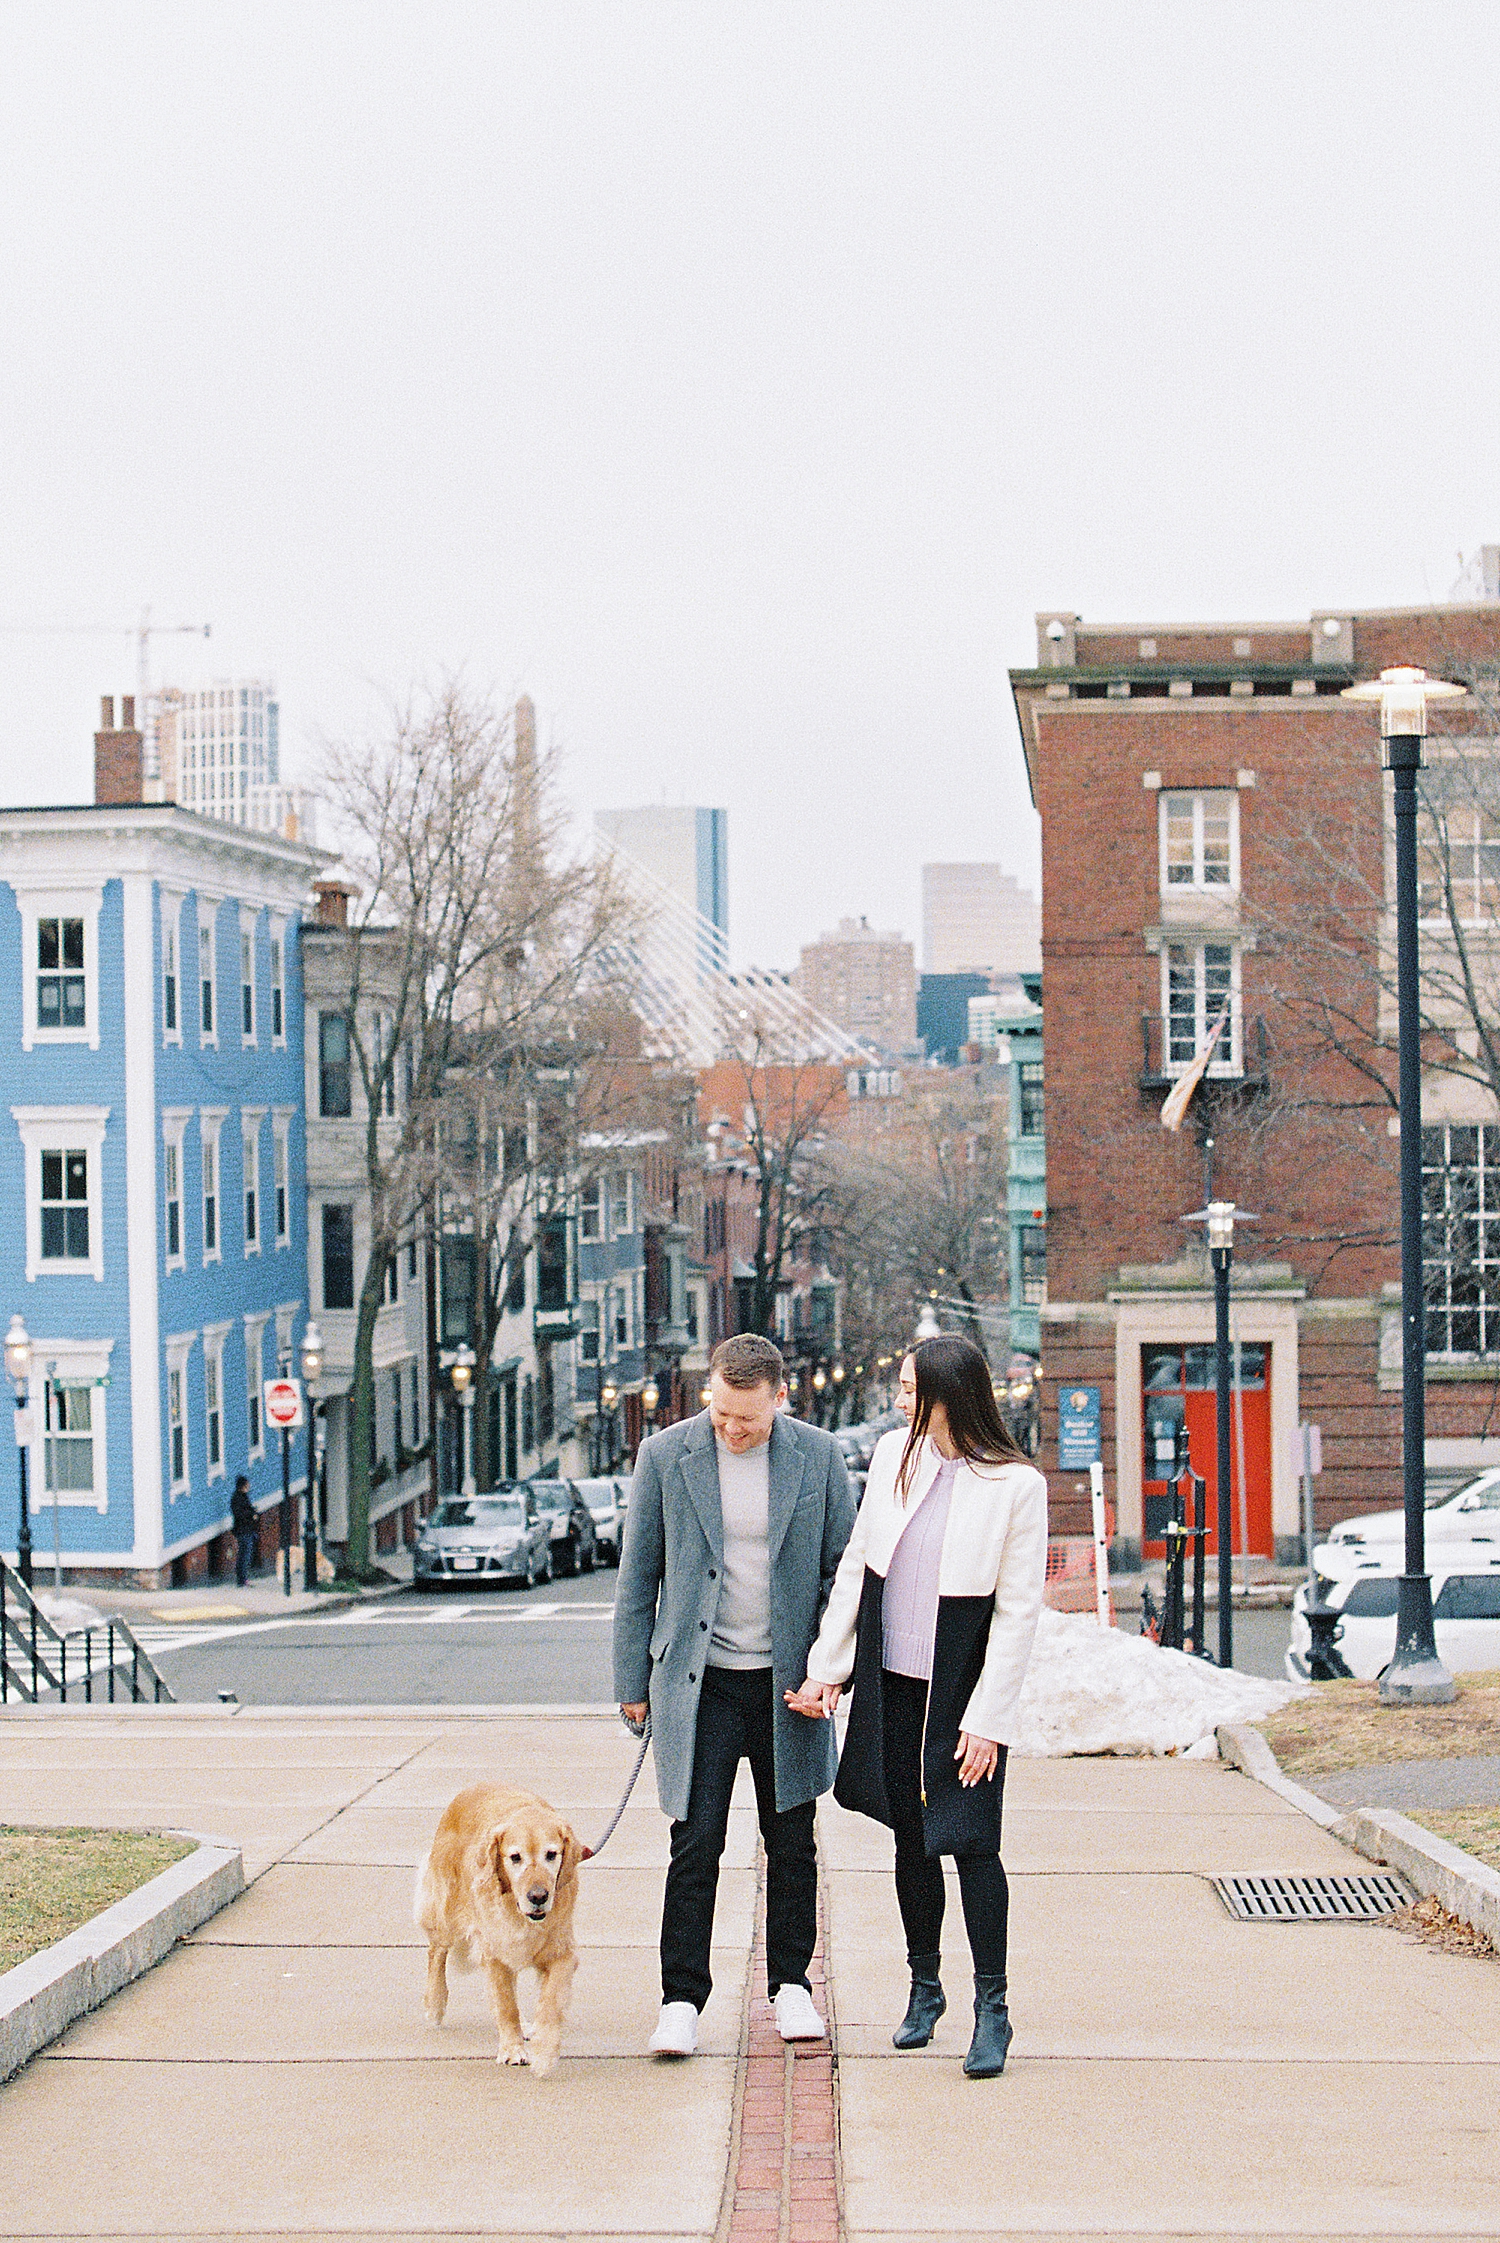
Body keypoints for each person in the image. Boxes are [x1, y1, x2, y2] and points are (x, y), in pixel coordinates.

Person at [787, 1334, 1047, 2078]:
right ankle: (923, 1986)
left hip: (960, 1694)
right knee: (910, 1835)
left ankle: (992, 2008)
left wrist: (988, 1720)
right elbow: (858, 1570)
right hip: (893, 1680)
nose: (899, 1401)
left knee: (970, 1842)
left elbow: (1018, 1613)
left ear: (946, 1394)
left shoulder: (1016, 1485)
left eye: (909, 1389)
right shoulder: (895, 1459)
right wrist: (827, 1671)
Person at [614, 1332, 857, 2058]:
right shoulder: (665, 1456)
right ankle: (681, 1999)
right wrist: (631, 1681)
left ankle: (791, 1987)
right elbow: (638, 1577)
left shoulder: (819, 1457)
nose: (731, 1427)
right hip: (701, 1682)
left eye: (746, 1417)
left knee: (792, 1841)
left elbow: (842, 1574)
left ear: (779, 1398)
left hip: (789, 1683)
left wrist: (832, 1669)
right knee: (695, 1842)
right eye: (721, 1412)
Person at [230, 1475, 258, 1587]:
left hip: (246, 1529)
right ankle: (242, 1579)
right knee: (244, 1555)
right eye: (247, 1484)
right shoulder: (237, 1498)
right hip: (243, 1530)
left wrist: (253, 1511)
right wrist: (252, 1515)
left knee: (245, 1554)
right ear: (243, 1486)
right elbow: (240, 1514)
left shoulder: (242, 1496)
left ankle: (242, 1578)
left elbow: (247, 1509)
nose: (249, 1486)